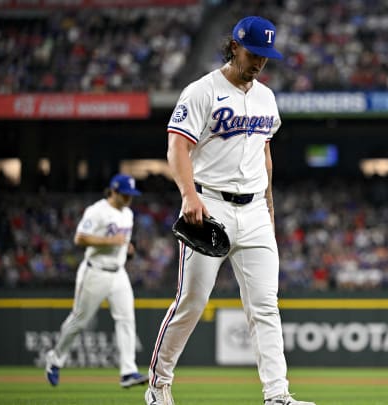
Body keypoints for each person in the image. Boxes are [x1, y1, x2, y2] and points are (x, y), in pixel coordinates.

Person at [144, 16, 315, 405]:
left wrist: (269, 204)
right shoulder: (202, 91)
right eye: (254, 54)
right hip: (210, 204)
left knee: (266, 307)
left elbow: (264, 151)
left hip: (254, 209)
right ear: (234, 45)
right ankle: (158, 383)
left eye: (266, 57)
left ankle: (277, 395)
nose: (259, 63)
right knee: (191, 302)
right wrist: (189, 195)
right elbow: (177, 147)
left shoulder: (266, 98)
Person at [45, 173, 148, 389]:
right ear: (114, 191)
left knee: (127, 319)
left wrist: (126, 248)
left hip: (119, 272)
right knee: (79, 321)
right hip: (95, 272)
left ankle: (128, 371)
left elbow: (121, 241)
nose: (130, 199)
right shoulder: (97, 210)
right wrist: (111, 241)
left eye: (131, 195)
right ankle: (55, 359)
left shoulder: (128, 214)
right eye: (126, 194)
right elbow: (79, 238)